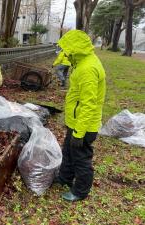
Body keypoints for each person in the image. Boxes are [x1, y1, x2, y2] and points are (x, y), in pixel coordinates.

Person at [54, 30, 106, 201]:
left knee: (81, 159)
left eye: (67, 49)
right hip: (75, 122)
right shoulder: (81, 62)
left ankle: (80, 191)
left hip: (83, 126)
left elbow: (88, 104)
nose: (65, 53)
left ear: (76, 49)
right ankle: (64, 179)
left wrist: (79, 132)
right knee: (68, 151)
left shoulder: (88, 69)